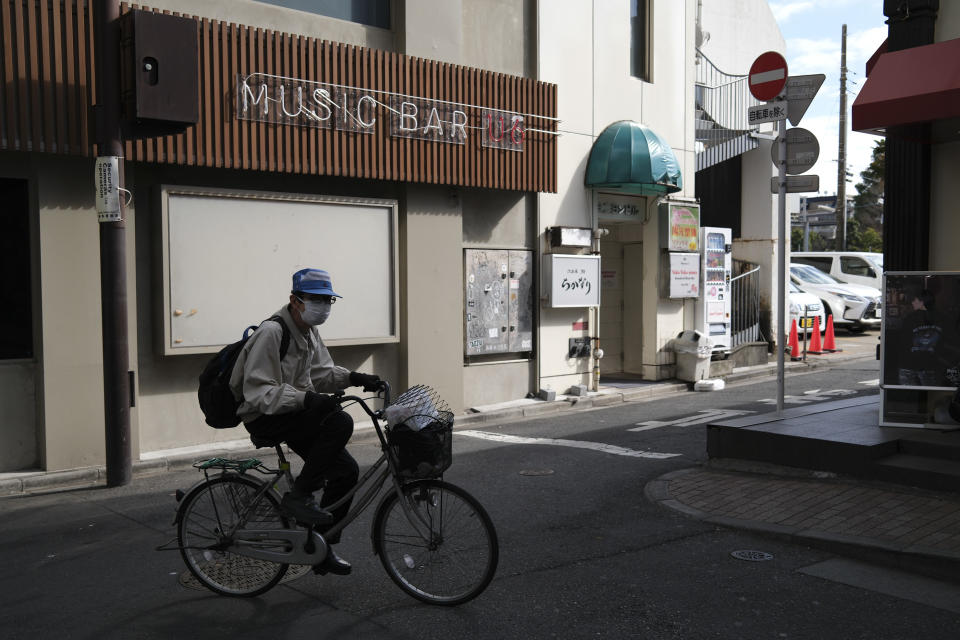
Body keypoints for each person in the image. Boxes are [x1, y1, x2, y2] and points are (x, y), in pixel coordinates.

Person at [229, 268, 380, 576]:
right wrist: (306, 399)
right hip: (264, 416)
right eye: (315, 300)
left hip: (290, 412)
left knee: (346, 472)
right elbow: (258, 392)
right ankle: (298, 497)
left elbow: (321, 374)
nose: (323, 307)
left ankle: (321, 547)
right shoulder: (272, 333)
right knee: (339, 422)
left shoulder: (308, 331)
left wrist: (355, 377)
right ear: (295, 301)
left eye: (328, 300)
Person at [897, 289, 946, 387]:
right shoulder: (941, 318)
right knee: (930, 394)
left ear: (922, 302)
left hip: (909, 364)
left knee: (910, 396)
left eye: (915, 300)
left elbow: (903, 341)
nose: (912, 302)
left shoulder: (910, 318)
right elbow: (945, 341)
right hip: (931, 364)